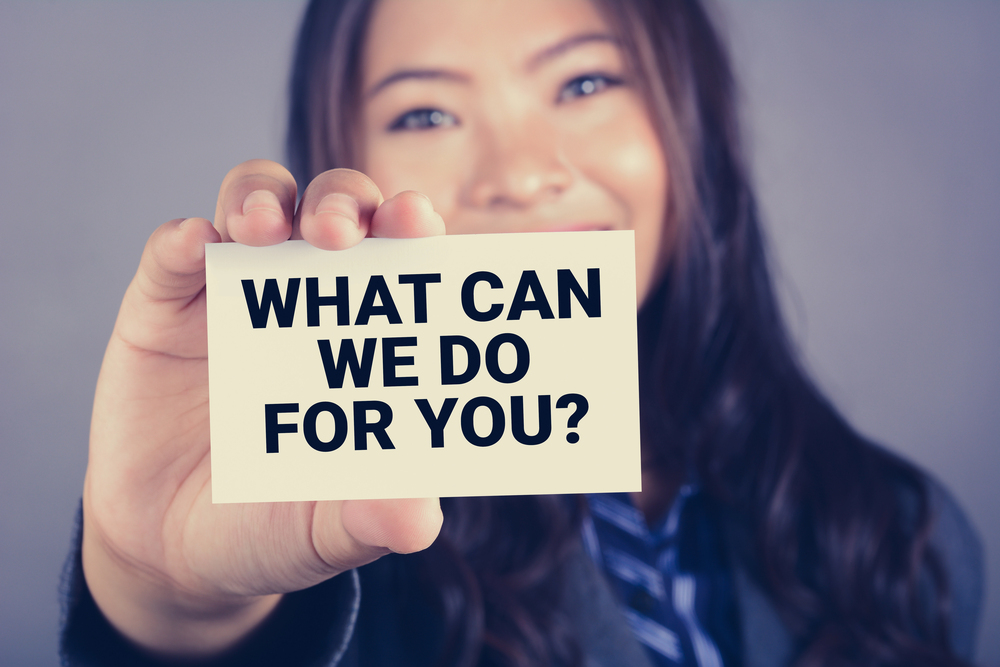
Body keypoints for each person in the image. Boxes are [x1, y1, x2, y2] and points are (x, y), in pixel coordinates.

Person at [60, 0, 983, 665]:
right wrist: (169, 603)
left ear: (688, 119)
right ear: (343, 154)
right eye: (425, 112)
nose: (520, 174)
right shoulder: (341, 553)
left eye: (584, 81)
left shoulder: (908, 533)